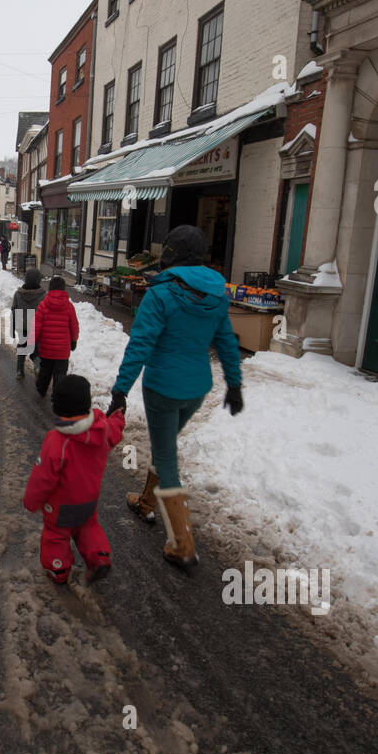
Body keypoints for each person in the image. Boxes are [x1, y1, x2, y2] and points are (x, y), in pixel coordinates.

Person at [107, 224, 242, 570]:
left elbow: (141, 344)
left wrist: (120, 389)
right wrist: (234, 383)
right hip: (197, 388)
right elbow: (226, 340)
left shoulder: (161, 293)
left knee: (167, 458)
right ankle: (146, 503)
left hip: (163, 388)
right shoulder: (216, 293)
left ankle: (183, 544)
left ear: (173, 253)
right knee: (165, 446)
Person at [22, 375, 124, 585]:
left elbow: (42, 478)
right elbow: (115, 430)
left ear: (58, 409)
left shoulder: (57, 441)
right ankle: (99, 558)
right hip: (88, 501)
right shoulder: (102, 429)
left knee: (55, 537)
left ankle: (58, 569)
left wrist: (31, 502)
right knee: (88, 527)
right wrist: (118, 415)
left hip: (60, 507)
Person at [31, 275, 78, 399]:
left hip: (46, 349)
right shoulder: (69, 307)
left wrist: (32, 342)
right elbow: (74, 326)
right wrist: (74, 341)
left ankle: (41, 389)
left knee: (45, 371)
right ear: (64, 289)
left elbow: (36, 326)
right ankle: (57, 396)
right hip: (62, 350)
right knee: (60, 374)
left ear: (50, 289)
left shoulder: (43, 305)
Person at [11, 267, 45, 380]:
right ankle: (38, 367)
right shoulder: (43, 295)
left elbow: (14, 310)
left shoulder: (18, 294)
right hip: (36, 327)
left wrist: (13, 327)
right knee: (36, 350)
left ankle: (19, 371)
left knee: (22, 348)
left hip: (22, 327)